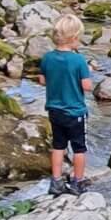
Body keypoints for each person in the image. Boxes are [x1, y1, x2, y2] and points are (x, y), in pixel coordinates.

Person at [39, 13, 93, 196]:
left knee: (58, 146)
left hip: (54, 110)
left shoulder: (47, 58)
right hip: (75, 111)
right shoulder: (78, 60)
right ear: (74, 38)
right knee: (79, 148)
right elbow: (86, 86)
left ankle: (56, 181)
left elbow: (42, 80)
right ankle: (77, 182)